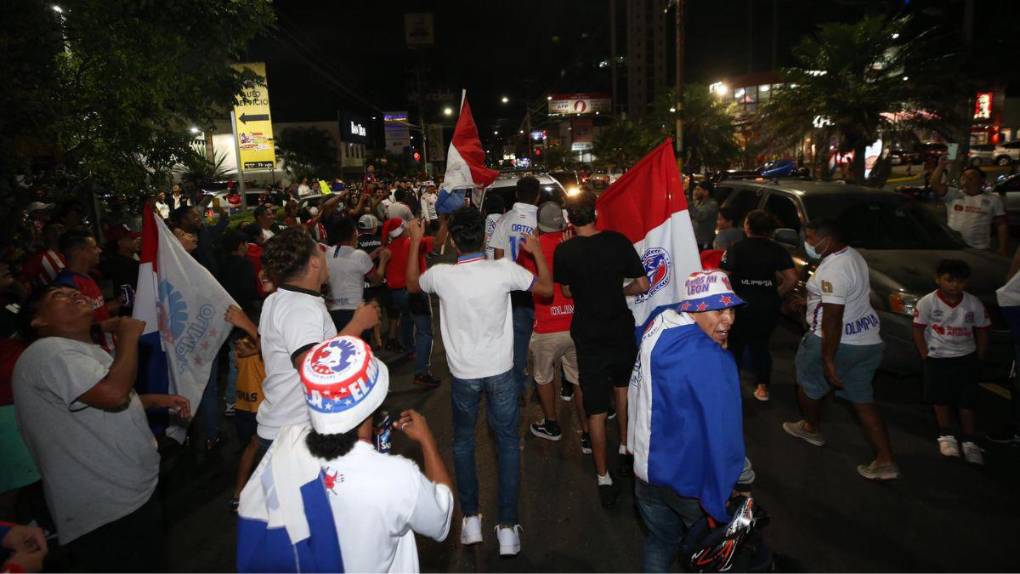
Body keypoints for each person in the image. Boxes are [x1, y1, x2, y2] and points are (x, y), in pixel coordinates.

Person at [237, 335, 453, 573]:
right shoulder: (396, 477)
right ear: (374, 399)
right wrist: (427, 441)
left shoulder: (287, 446)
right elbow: (441, 519)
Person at [406, 209, 551, 556]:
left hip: (463, 374)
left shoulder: (441, 276)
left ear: (454, 240)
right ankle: (507, 529)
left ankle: (471, 520)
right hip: (501, 371)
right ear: (484, 240)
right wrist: (538, 254)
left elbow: (412, 284)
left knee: (462, 444)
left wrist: (414, 243)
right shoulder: (503, 270)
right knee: (505, 444)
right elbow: (545, 290)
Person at [12, 286, 188, 571]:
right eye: (59, 295)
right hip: (107, 510)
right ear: (38, 320)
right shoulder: (48, 352)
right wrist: (128, 337)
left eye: (75, 291)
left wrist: (153, 400)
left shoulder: (78, 352)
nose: (74, 295)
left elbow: (99, 404)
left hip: (127, 497)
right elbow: (113, 393)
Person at [629, 271, 747, 573]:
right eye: (718, 310)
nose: (729, 319)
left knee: (660, 542)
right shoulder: (712, 359)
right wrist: (731, 484)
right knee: (709, 555)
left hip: (645, 474)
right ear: (693, 308)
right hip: (689, 483)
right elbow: (724, 434)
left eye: (731, 309)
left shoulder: (659, 324)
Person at [554, 189, 649, 507]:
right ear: (596, 214)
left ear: (569, 219)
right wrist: (620, 291)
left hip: (588, 332)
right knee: (622, 389)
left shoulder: (564, 252)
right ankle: (624, 447)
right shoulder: (619, 242)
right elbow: (643, 284)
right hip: (619, 327)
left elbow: (567, 292)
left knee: (595, 407)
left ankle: (603, 475)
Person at [782, 218, 898, 480]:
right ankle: (885, 460)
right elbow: (844, 296)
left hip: (835, 341)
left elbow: (834, 315)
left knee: (808, 386)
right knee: (863, 401)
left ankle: (811, 427)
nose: (808, 243)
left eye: (811, 238)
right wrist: (809, 301)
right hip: (867, 341)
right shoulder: (852, 256)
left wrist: (828, 358)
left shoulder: (834, 269)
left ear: (828, 239)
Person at [256, 228, 380, 454]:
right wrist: (357, 324)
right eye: (321, 252)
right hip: (297, 433)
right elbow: (311, 366)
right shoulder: (300, 306)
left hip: (282, 427)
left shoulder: (277, 299)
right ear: (314, 263)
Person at [520, 202, 589, 450]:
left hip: (546, 325)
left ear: (538, 224)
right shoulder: (575, 242)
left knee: (543, 377)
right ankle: (588, 433)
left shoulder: (530, 250)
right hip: (575, 323)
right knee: (580, 380)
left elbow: (525, 282)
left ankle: (551, 425)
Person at [912, 259, 990, 464]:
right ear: (938, 280)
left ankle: (970, 441)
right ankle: (946, 435)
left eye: (960, 281)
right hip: (938, 357)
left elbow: (982, 330)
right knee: (940, 398)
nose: (955, 286)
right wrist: (924, 354)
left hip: (966, 357)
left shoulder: (973, 303)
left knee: (967, 400)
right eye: (950, 280)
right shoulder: (928, 302)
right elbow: (918, 328)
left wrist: (980, 356)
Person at [720, 210, 798, 402]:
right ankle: (763, 387)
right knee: (761, 345)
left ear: (747, 227)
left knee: (735, 345)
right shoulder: (778, 250)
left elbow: (722, 277)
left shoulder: (736, 248)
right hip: (767, 306)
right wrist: (775, 294)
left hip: (740, 305)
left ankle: (731, 387)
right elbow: (792, 278)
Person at [488, 176, 542, 399]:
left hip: (515, 292)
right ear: (538, 196)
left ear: (517, 195)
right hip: (542, 290)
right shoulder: (544, 219)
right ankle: (543, 387)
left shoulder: (504, 220)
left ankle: (519, 388)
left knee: (518, 344)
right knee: (544, 343)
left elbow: (498, 261)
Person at [379, 218, 441, 388]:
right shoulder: (414, 243)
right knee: (424, 332)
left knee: (406, 317)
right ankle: (422, 372)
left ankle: (410, 349)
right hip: (415, 293)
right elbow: (438, 242)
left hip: (396, 294)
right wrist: (444, 222)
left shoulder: (388, 249)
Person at [930, 157, 1008, 256]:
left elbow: (1001, 225)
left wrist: (1002, 248)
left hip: (979, 249)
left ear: (982, 180)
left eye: (972, 175)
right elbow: (935, 184)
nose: (967, 178)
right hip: (953, 247)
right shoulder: (954, 194)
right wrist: (941, 165)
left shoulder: (993, 200)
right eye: (965, 176)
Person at [326, 217, 387, 332]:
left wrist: (372, 255)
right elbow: (377, 280)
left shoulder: (328, 252)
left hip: (332, 311)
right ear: (353, 234)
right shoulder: (360, 255)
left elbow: (346, 264)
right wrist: (383, 261)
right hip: (354, 311)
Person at [52, 231, 114, 326]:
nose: (99, 250)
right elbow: (73, 326)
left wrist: (119, 302)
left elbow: (97, 309)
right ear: (78, 253)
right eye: (94, 247)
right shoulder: (66, 286)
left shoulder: (87, 275)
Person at [100, 224, 141, 316]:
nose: (137, 240)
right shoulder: (126, 266)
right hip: (131, 316)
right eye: (131, 238)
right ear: (120, 242)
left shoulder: (111, 263)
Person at [19, 222, 65, 289]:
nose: (61, 232)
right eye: (59, 230)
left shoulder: (67, 255)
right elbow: (21, 280)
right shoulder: (41, 258)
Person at [689, 180, 719, 251]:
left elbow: (700, 216)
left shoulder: (712, 204)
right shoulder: (697, 202)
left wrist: (689, 205)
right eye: (695, 189)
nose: (695, 192)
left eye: (698, 190)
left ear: (706, 192)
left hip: (703, 242)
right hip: (694, 240)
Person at [482, 194, 506, 260]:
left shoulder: (481, 225)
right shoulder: (508, 223)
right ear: (504, 210)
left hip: (486, 266)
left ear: (485, 211)